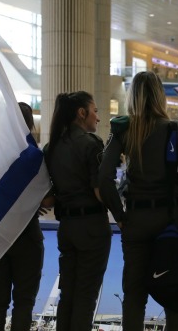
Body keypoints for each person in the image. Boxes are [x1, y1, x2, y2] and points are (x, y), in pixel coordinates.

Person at [99, 72, 178, 331]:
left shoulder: (124, 130)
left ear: (133, 96)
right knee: (174, 294)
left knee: (134, 296)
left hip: (135, 221)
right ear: (160, 95)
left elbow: (104, 177)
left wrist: (120, 216)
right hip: (170, 220)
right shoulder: (175, 131)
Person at [43, 92, 111, 331]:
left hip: (67, 229)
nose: (98, 118)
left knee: (68, 295)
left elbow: (48, 197)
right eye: (95, 111)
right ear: (81, 113)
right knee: (86, 296)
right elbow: (99, 192)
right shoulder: (92, 145)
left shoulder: (51, 147)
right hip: (92, 226)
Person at [0, 102, 47, 331]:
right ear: (30, 123)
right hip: (26, 234)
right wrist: (32, 203)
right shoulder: (34, 157)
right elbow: (46, 197)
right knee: (24, 302)